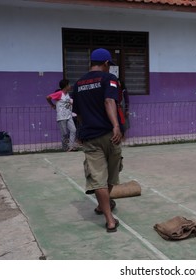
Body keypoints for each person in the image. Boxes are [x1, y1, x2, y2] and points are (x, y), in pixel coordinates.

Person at [72, 48, 122, 233]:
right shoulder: (109, 79)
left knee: (98, 177)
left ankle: (106, 213)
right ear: (106, 63)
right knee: (111, 174)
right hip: (110, 135)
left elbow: (78, 114)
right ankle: (109, 217)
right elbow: (109, 101)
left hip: (90, 137)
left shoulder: (78, 84)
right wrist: (115, 125)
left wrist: (82, 132)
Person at [46, 79, 77, 152]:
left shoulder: (67, 94)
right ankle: (65, 148)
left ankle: (71, 146)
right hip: (62, 117)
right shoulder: (59, 93)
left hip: (69, 116)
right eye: (69, 85)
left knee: (73, 130)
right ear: (65, 86)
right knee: (64, 134)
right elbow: (48, 97)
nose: (70, 86)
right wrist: (52, 105)